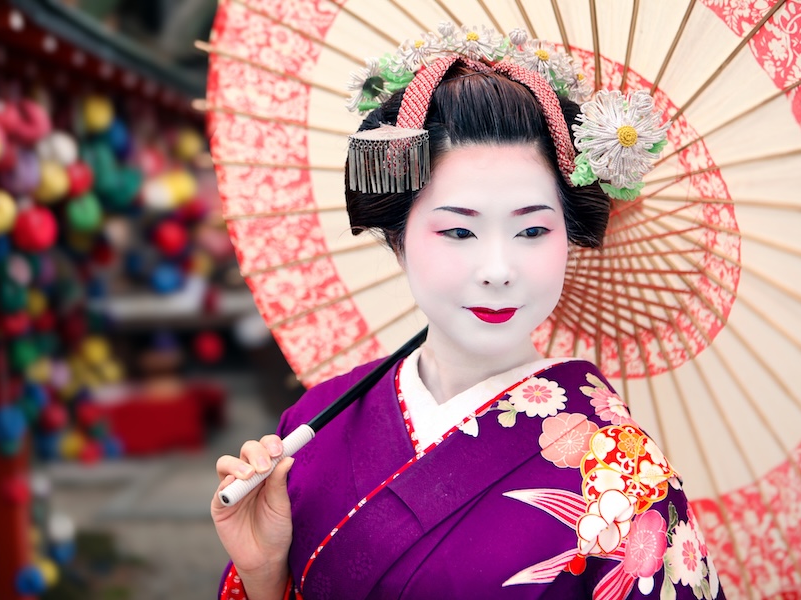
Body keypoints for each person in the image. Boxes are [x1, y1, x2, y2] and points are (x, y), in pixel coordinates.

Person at [212, 24, 724, 600]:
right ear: (397, 235)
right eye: (458, 229)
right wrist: (262, 576)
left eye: (533, 229)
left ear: (569, 236)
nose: (498, 268)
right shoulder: (312, 425)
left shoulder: (624, 475)